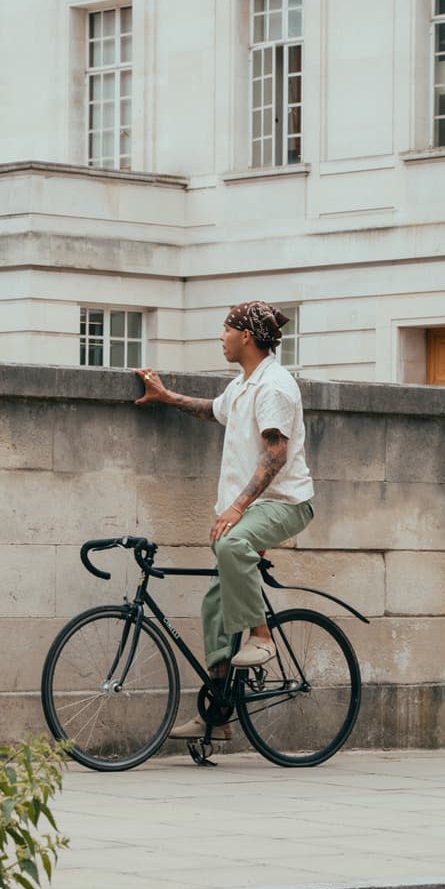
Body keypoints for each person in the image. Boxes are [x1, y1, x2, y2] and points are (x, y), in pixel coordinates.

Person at [134, 300, 314, 740]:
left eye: (226, 329)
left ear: (246, 337)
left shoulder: (273, 387)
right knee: (215, 607)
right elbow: (212, 409)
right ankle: (218, 715)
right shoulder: (244, 384)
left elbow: (275, 455)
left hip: (284, 503)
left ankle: (263, 636)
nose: (221, 337)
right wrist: (165, 397)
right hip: (253, 509)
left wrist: (236, 509)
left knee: (233, 545)